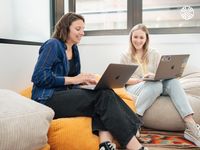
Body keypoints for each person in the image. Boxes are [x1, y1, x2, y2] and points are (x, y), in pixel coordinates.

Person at [31, 12, 148, 150]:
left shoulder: (74, 49)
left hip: (64, 95)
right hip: (47, 99)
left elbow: (73, 79)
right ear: (66, 27)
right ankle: (134, 142)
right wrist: (74, 79)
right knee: (102, 97)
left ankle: (104, 145)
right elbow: (39, 77)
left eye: (83, 29)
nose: (82, 33)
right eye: (78, 29)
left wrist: (84, 81)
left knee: (104, 91)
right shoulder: (53, 44)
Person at [120, 23, 200, 147]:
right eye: (135, 37)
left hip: (153, 83)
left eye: (141, 37)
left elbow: (161, 72)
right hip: (135, 85)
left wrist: (154, 75)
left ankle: (191, 125)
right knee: (156, 85)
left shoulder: (154, 53)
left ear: (146, 39)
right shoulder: (125, 55)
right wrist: (140, 80)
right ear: (131, 37)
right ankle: (135, 121)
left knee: (172, 81)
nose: (138, 40)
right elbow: (123, 78)